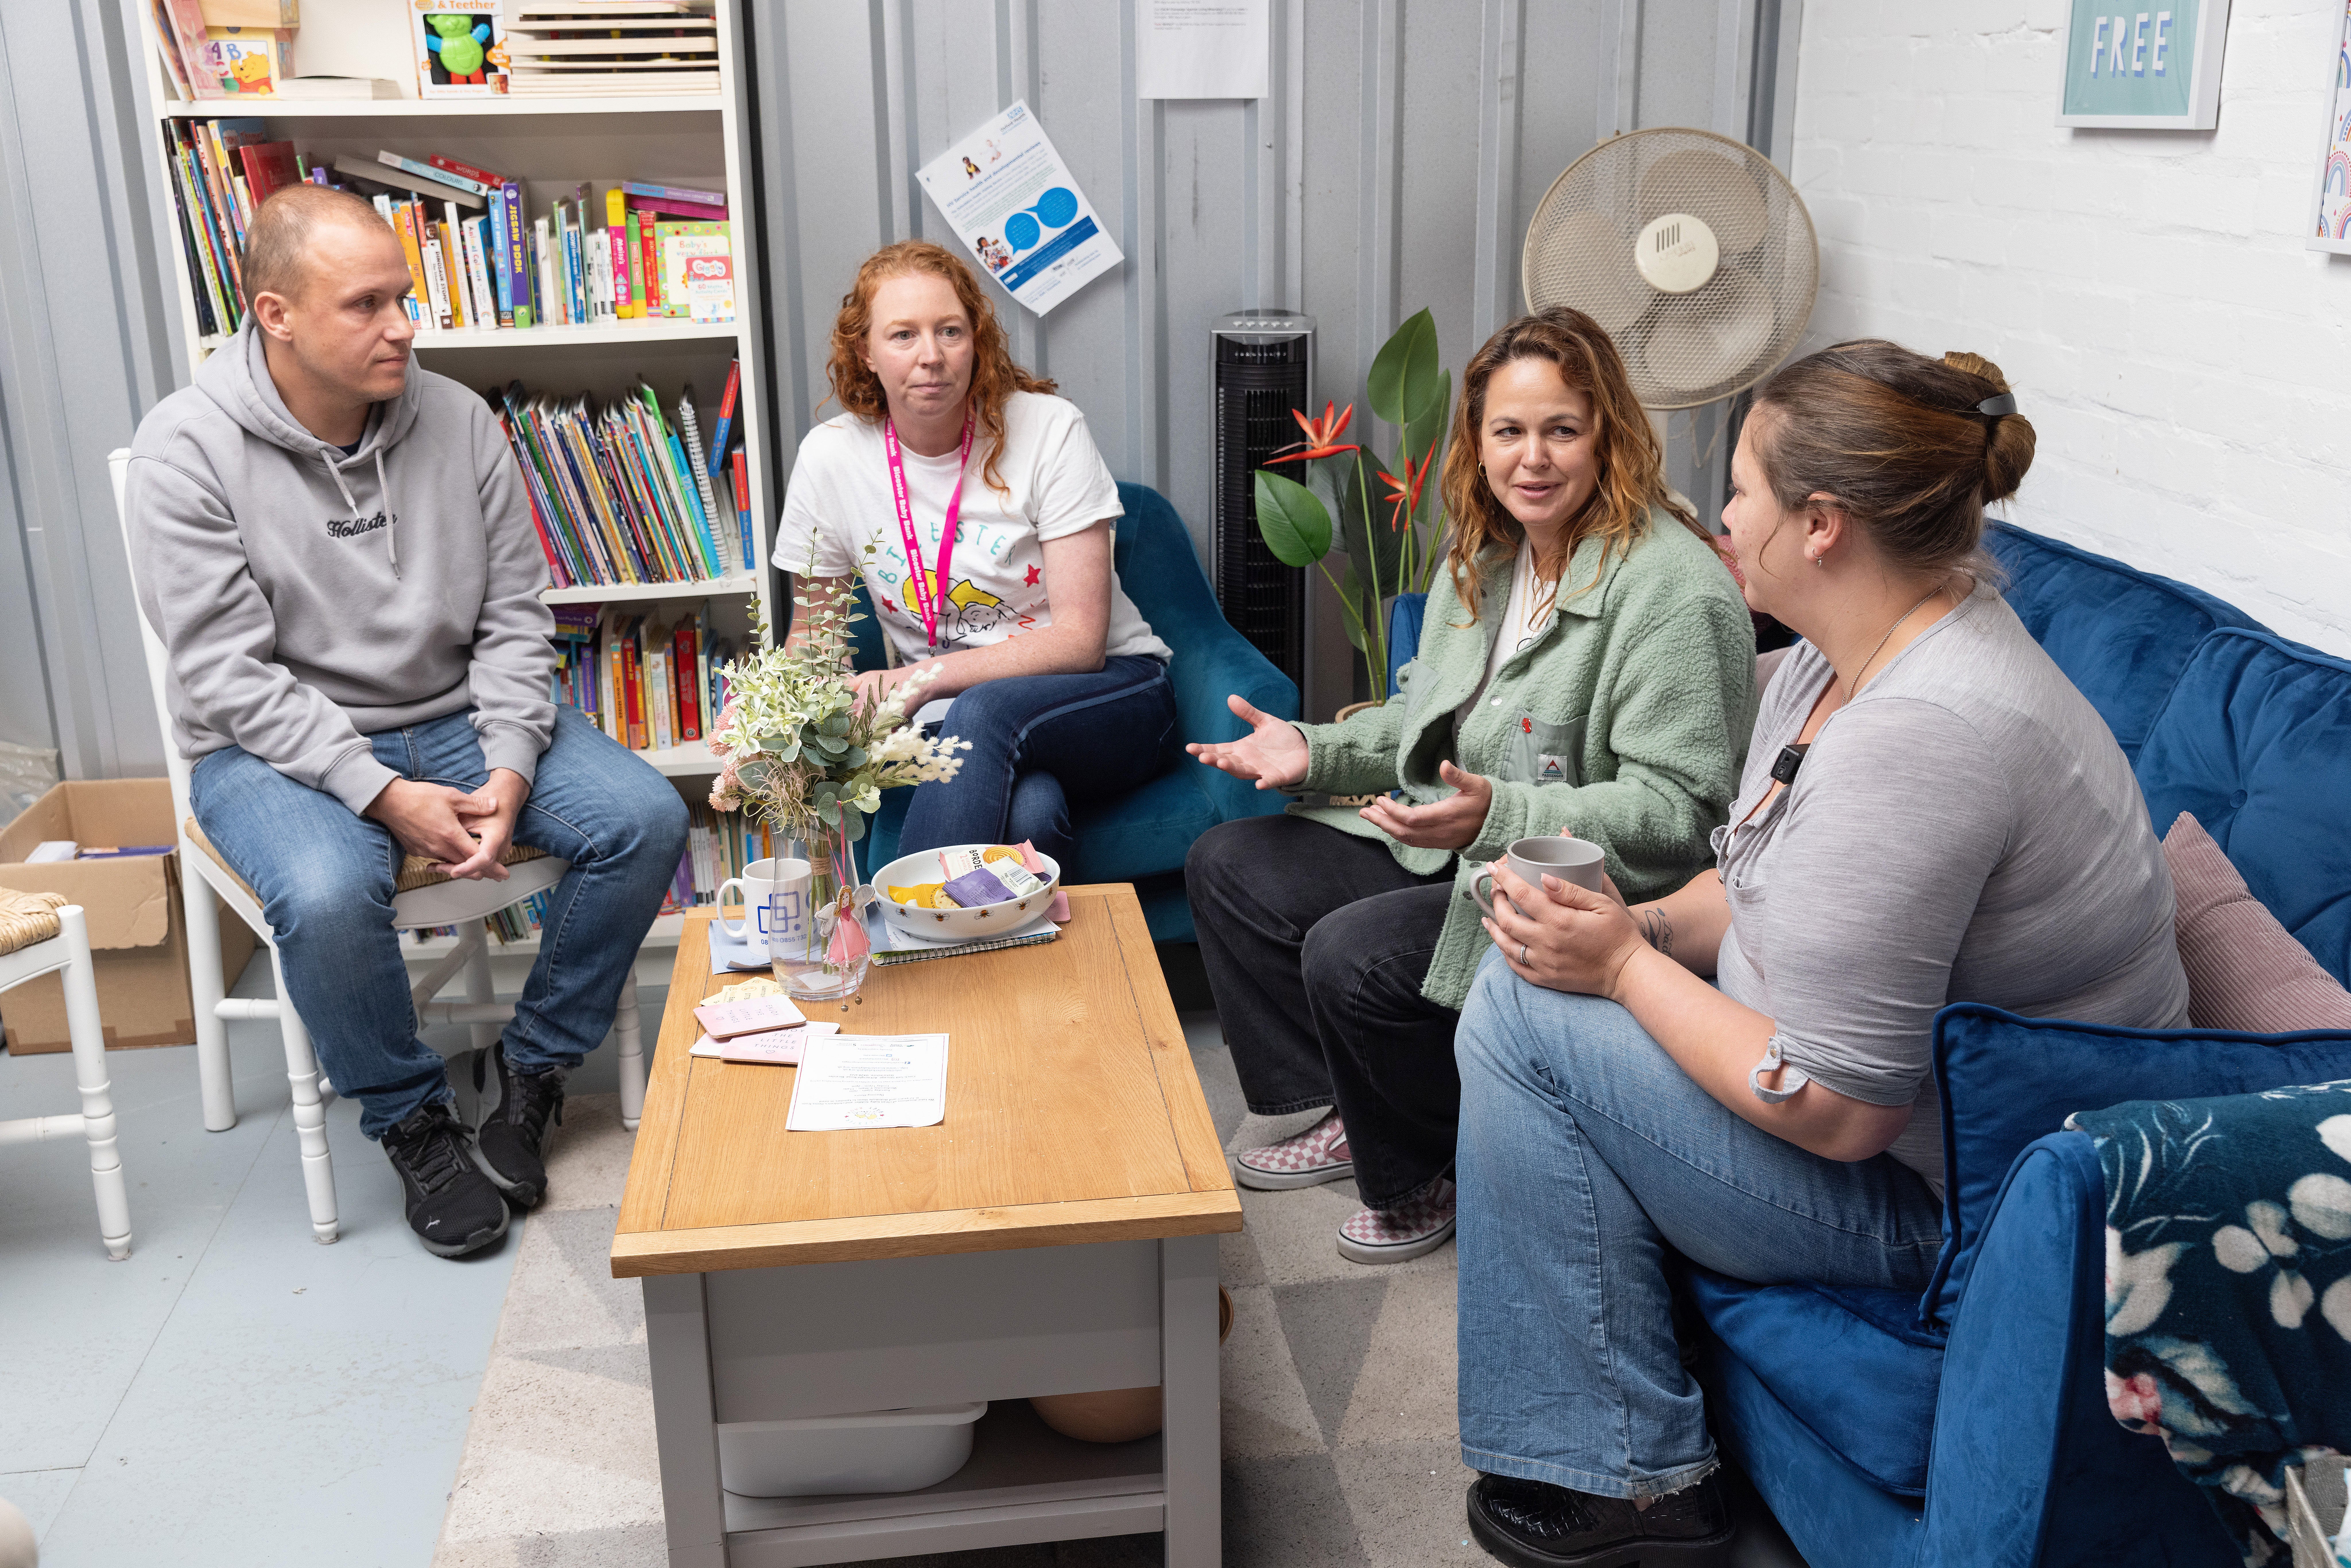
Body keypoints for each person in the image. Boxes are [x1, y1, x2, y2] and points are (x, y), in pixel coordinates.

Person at [1450, 341, 2191, 1567]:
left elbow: (1844, 1105)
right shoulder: (1829, 663)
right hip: (1888, 1132)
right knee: (1530, 977)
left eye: (1738, 488)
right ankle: (1619, 1423)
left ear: (1824, 523)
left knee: (1525, 1019)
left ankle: (1635, 1485)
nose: (1717, 513)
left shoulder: (1927, 733)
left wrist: (1620, 975)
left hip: (1961, 1211)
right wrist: (1634, 931)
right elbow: (1748, 888)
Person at [125, 186, 688, 1260]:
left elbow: (518, 617)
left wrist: (515, 761)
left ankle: (529, 1074)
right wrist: (378, 792)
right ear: (275, 314)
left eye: (406, 297)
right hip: (272, 747)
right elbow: (228, 675)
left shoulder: (458, 417)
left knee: (645, 818)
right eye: (367, 305)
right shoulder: (184, 452)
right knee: (331, 892)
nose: (404, 327)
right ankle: (412, 1123)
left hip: (462, 715)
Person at [1183, 308, 1757, 1266]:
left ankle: (1422, 1171)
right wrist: (1311, 753)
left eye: (1561, 430)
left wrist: (1503, 816)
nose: (1532, 458)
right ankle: (1351, 1100)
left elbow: (1679, 816)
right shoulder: (1486, 555)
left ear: (1607, 435)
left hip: (1585, 883)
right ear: (1478, 442)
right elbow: (1420, 718)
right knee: (1232, 863)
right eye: (1509, 431)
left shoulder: (1674, 591)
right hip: (1464, 843)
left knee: (1350, 954)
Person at [773, 240, 1173, 868]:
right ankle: (1019, 956)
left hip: (1112, 692)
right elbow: (814, 637)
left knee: (982, 710)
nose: (930, 356)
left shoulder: (1048, 429)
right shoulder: (830, 458)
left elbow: (1080, 640)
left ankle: (907, 943)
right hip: (950, 722)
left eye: (950, 331)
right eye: (903, 335)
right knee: (1032, 811)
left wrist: (916, 679)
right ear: (865, 353)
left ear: (976, 341)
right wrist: (771, 716)